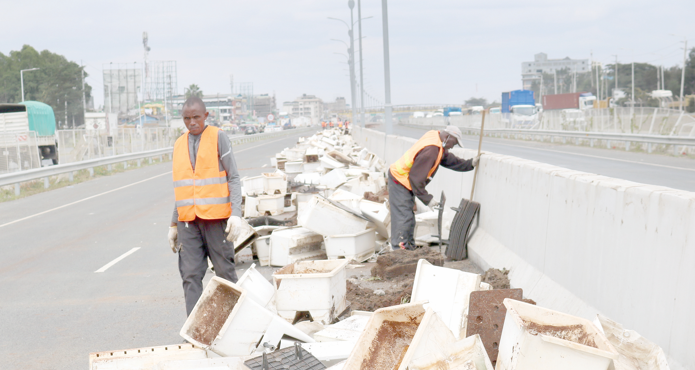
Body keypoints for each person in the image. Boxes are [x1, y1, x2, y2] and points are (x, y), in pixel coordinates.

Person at [167, 97, 243, 316]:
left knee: (224, 274)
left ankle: (233, 322)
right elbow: (184, 189)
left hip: (217, 221)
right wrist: (173, 224)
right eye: (187, 118)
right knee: (190, 275)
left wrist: (235, 214)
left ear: (206, 116)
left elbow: (234, 177)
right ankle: (196, 331)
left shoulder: (219, 137)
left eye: (196, 117)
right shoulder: (179, 144)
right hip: (188, 224)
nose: (192, 122)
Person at [388, 125, 480, 250]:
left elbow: (448, 159)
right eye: (454, 143)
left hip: (404, 180)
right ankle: (399, 250)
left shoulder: (436, 138)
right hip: (399, 180)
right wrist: (428, 199)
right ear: (447, 137)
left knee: (408, 216)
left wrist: (469, 164)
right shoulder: (431, 150)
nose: (453, 146)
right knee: (403, 216)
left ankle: (408, 248)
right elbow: (416, 178)